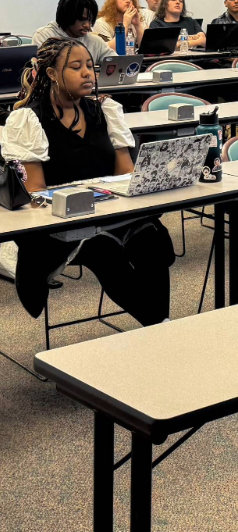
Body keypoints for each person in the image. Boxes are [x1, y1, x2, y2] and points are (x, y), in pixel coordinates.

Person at [1, 38, 173, 325]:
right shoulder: (28, 119)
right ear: (52, 74)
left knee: (149, 236)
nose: (87, 74)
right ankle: (162, 327)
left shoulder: (104, 111)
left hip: (108, 211)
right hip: (57, 227)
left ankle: (158, 327)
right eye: (75, 67)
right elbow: (36, 194)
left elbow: (125, 176)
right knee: (102, 247)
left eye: (90, 67)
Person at [32, 0, 110, 65]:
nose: (87, 25)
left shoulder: (95, 42)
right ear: (67, 16)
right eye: (82, 19)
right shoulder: (44, 36)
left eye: (90, 20)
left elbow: (118, 63)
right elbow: (41, 71)